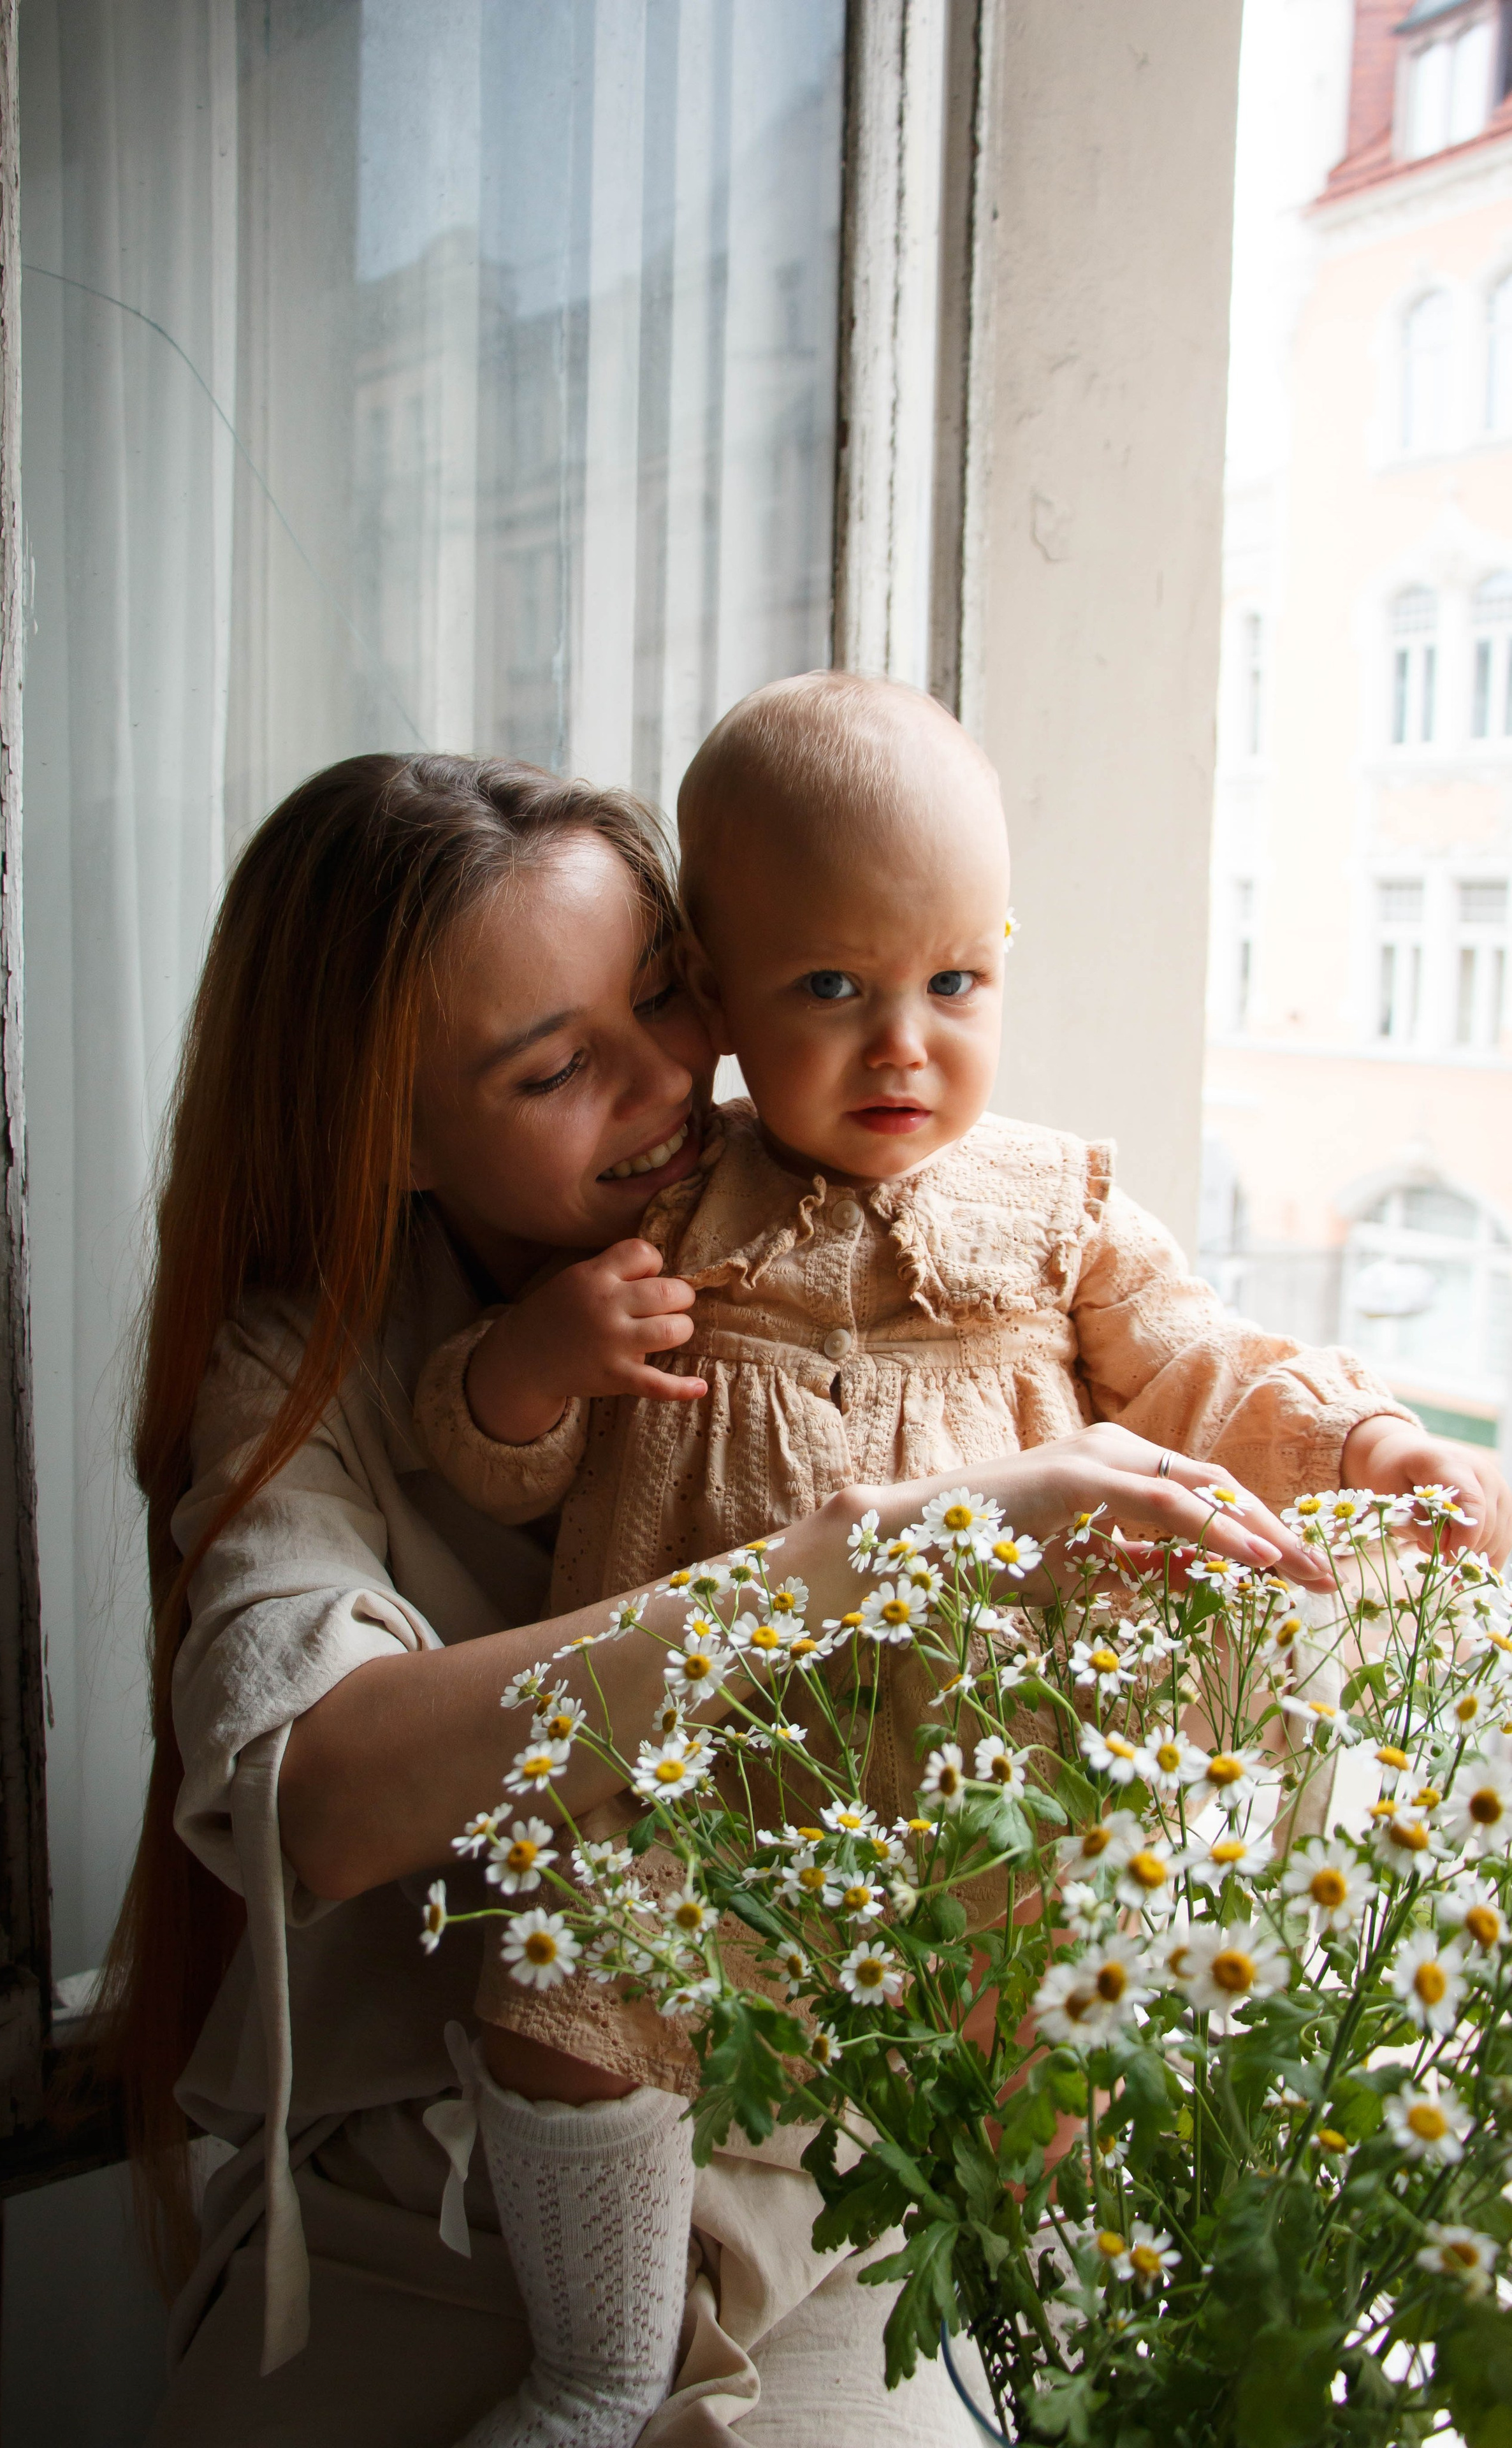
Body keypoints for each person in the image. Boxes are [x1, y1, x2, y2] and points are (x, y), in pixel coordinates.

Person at [108, 748, 1311, 2448]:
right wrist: (848, 1565)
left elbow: (1212, 1372)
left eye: (670, 991)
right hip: (428, 2231)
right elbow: (325, 1798)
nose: (674, 1079)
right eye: (557, 1070)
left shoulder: (914, 1242)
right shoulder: (304, 1376)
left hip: (823, 2203)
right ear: (385, 1135)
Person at [414, 673, 1512, 2448]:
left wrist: (1361, 1440)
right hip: (714, 1764)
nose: (903, 1043)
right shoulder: (669, 1210)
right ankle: (603, 2365)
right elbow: (492, 1464)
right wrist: (538, 1360)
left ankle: (1064, 2357)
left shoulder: (1057, 1204)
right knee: (570, 1999)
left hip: (979, 1782)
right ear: (711, 992)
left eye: (954, 983)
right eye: (831, 989)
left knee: (1055, 2041)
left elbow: (1197, 1367)